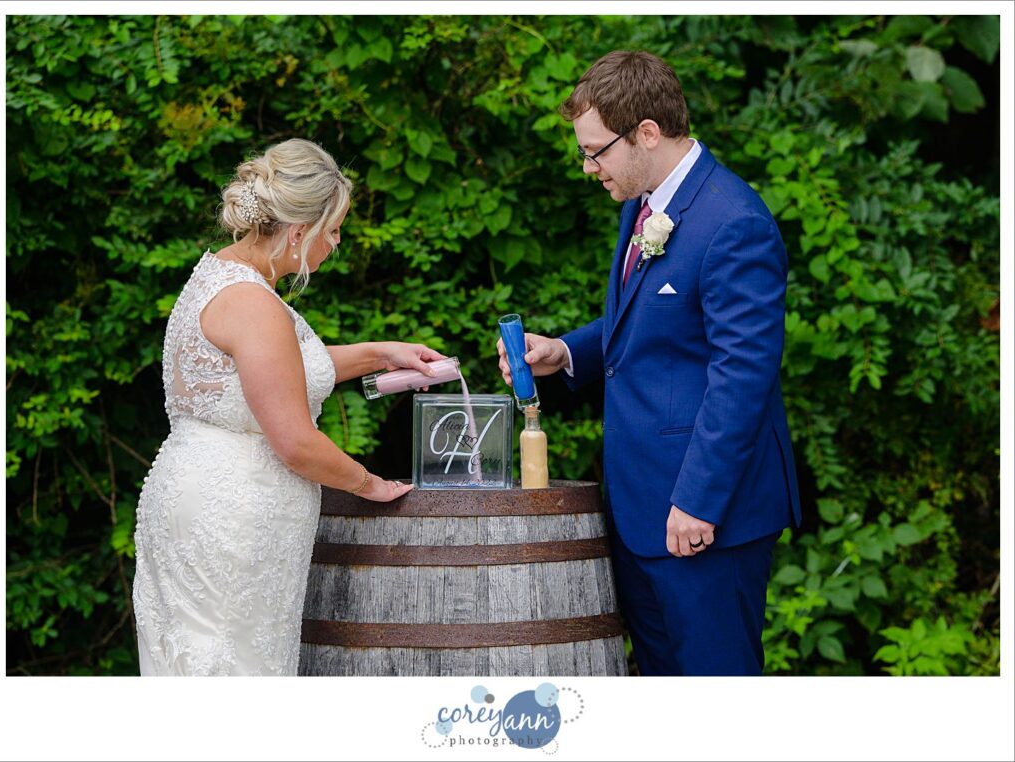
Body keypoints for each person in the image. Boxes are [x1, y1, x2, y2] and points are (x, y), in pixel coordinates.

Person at [497, 51, 801, 675]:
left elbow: (742, 376)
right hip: (640, 505)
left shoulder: (733, 221)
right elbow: (651, 325)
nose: (588, 167)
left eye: (596, 150)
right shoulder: (645, 205)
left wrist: (698, 503)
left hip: (703, 513)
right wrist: (567, 354)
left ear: (647, 134)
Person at [133, 138, 445, 676]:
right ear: (300, 233)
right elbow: (296, 443)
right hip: (235, 514)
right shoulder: (254, 304)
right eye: (334, 230)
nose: (337, 243)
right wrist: (370, 484)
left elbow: (275, 370)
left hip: (194, 492)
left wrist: (379, 352)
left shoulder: (220, 275)